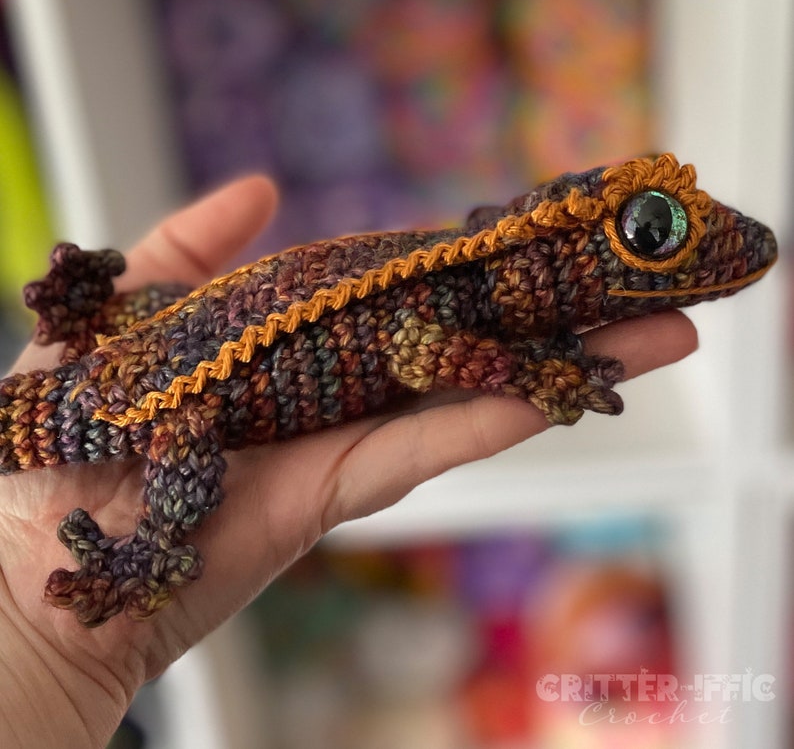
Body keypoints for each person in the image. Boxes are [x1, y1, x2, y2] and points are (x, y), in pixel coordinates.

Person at [0, 176, 697, 748]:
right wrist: (527, 375)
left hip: (157, 347)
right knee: (181, 466)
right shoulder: (464, 292)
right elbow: (420, 351)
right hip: (162, 393)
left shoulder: (466, 275)